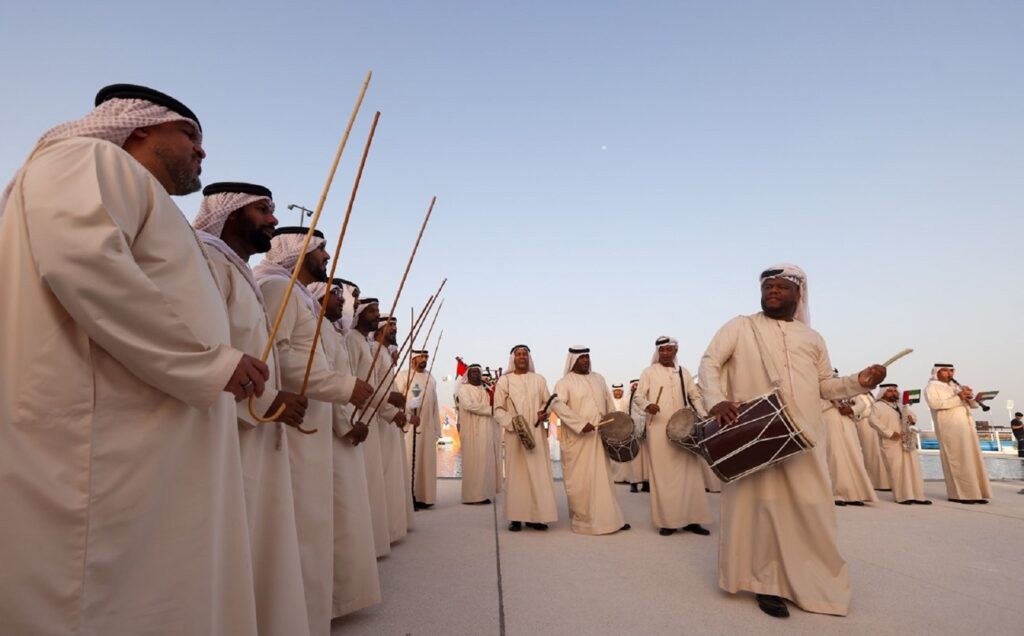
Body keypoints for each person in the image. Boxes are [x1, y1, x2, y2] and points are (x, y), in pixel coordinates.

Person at [0, 84, 269, 634]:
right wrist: (207, 362)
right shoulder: (89, 159)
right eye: (189, 134)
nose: (201, 151)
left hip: (150, 431)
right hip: (105, 441)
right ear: (140, 127)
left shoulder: (136, 190)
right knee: (104, 597)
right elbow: (86, 267)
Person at [698, 263, 886, 619]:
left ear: (799, 294)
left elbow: (825, 386)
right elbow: (709, 363)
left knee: (811, 508)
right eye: (767, 286)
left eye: (781, 286)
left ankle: (809, 580)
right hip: (756, 433)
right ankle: (766, 584)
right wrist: (716, 400)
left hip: (805, 437)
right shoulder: (740, 326)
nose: (773, 291)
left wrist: (859, 382)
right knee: (760, 509)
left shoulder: (813, 338)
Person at [193, 182, 311, 635]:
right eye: (263, 210)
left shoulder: (237, 270)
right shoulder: (204, 260)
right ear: (230, 213)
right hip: (225, 427)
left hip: (256, 425)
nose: (273, 220)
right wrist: (266, 399)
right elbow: (205, 348)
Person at [254, 227, 372, 635]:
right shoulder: (276, 289)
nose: (327, 258)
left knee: (313, 524)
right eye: (321, 250)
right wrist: (345, 388)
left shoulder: (296, 296)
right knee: (300, 526)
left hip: (315, 422)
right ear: (297, 251)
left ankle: (310, 614)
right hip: (292, 425)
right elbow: (281, 359)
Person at [306, 280, 382, 618]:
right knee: (338, 512)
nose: (342, 301)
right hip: (331, 429)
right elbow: (329, 380)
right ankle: (335, 599)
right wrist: (347, 422)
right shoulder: (322, 330)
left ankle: (347, 594)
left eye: (343, 296)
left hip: (345, 423)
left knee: (350, 510)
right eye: (336, 295)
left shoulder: (334, 333)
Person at [634, 337, 712, 537]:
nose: (666, 353)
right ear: (658, 352)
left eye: (669, 350)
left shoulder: (683, 373)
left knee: (690, 474)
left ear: (675, 351)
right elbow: (638, 396)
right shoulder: (649, 372)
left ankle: (693, 520)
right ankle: (668, 521)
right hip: (658, 429)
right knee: (664, 475)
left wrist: (703, 415)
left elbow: (694, 396)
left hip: (684, 428)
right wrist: (648, 405)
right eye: (662, 350)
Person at [345, 298, 404, 556]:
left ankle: (382, 537)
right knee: (368, 482)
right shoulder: (354, 342)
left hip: (374, 415)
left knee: (378, 480)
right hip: (359, 416)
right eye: (373, 312)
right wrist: (390, 407)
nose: (377, 316)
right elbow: (361, 384)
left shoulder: (369, 347)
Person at [550, 347, 629, 534]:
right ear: (573, 360)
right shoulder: (564, 383)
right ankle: (585, 521)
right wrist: (580, 424)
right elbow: (557, 405)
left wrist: (615, 425)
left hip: (599, 437)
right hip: (578, 441)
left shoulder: (598, 378)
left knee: (603, 479)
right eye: (581, 358)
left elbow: (609, 404)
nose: (585, 361)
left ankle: (610, 520)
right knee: (583, 481)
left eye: (587, 357)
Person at [492, 345, 559, 531]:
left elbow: (548, 402)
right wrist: (514, 424)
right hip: (515, 434)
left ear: (529, 358)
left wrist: (545, 412)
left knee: (537, 475)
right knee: (517, 476)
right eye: (518, 354)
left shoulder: (539, 380)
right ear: (513, 359)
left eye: (525, 354)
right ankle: (515, 517)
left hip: (536, 432)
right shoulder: (504, 381)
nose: (522, 357)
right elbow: (498, 409)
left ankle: (536, 517)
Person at [925, 363, 992, 504]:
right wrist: (959, 397)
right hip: (950, 428)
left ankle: (976, 493)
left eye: (951, 370)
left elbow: (973, 406)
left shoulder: (955, 386)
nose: (949, 373)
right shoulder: (932, 387)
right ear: (937, 372)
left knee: (971, 460)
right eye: (945, 371)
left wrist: (973, 397)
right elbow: (935, 404)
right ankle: (959, 495)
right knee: (958, 460)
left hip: (966, 427)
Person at [869, 384, 931, 505]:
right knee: (897, 469)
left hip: (907, 440)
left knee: (913, 469)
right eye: (890, 391)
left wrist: (912, 419)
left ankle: (918, 496)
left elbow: (913, 417)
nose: (894, 393)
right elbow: (872, 421)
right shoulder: (878, 405)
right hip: (891, 442)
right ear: (883, 393)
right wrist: (890, 433)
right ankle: (902, 497)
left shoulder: (901, 405)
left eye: (895, 391)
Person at [397, 350, 442, 509]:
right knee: (410, 462)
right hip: (410, 427)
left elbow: (435, 404)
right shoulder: (403, 376)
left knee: (426, 463)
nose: (424, 359)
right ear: (413, 359)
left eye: (426, 357)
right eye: (421, 357)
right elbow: (397, 399)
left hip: (427, 428)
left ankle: (424, 497)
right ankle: (409, 497)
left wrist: (436, 428)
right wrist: (407, 413)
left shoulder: (431, 378)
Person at [820, 386, 876, 506]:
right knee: (835, 458)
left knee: (855, 458)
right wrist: (833, 401)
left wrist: (851, 409)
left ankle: (855, 495)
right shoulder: (819, 389)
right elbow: (814, 406)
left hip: (848, 423)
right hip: (829, 424)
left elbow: (861, 404)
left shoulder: (844, 389)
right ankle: (837, 495)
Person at [457, 364, 502, 504]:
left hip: (487, 431)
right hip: (472, 432)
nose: (476, 374)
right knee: (473, 463)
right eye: (473, 372)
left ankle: (484, 494)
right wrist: (490, 410)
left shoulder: (485, 389)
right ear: (468, 375)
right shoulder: (464, 389)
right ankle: (472, 496)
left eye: (478, 372)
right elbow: (469, 405)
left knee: (485, 463)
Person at [851, 392, 891, 491]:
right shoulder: (856, 395)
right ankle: (874, 482)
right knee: (871, 453)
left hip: (875, 425)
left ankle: (884, 482)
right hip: (865, 424)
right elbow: (858, 412)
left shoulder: (870, 396)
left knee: (880, 453)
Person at [627, 378, 651, 493]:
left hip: (646, 432)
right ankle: (634, 483)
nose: (635, 387)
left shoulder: (646, 397)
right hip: (632, 432)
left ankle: (646, 483)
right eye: (634, 385)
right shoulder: (627, 399)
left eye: (637, 385)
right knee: (634, 458)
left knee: (647, 458)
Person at [608, 383, 632, 484]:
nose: (617, 393)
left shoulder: (626, 402)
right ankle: (614, 478)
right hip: (612, 431)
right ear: (613, 392)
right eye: (616, 391)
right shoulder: (609, 403)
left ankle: (626, 477)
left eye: (619, 391)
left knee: (624, 454)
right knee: (613, 454)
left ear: (622, 392)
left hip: (624, 430)